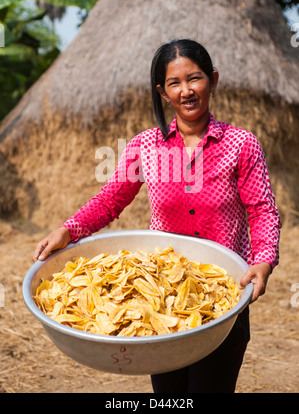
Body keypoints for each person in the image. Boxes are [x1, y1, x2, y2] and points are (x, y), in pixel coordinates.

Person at [33, 39, 281, 393]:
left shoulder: (241, 144)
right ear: (162, 92)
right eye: (174, 83)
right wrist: (68, 230)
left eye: (194, 79)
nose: (186, 91)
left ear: (213, 80)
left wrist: (264, 260)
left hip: (222, 295)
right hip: (161, 296)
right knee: (169, 396)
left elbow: (262, 211)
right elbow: (110, 201)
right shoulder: (145, 146)